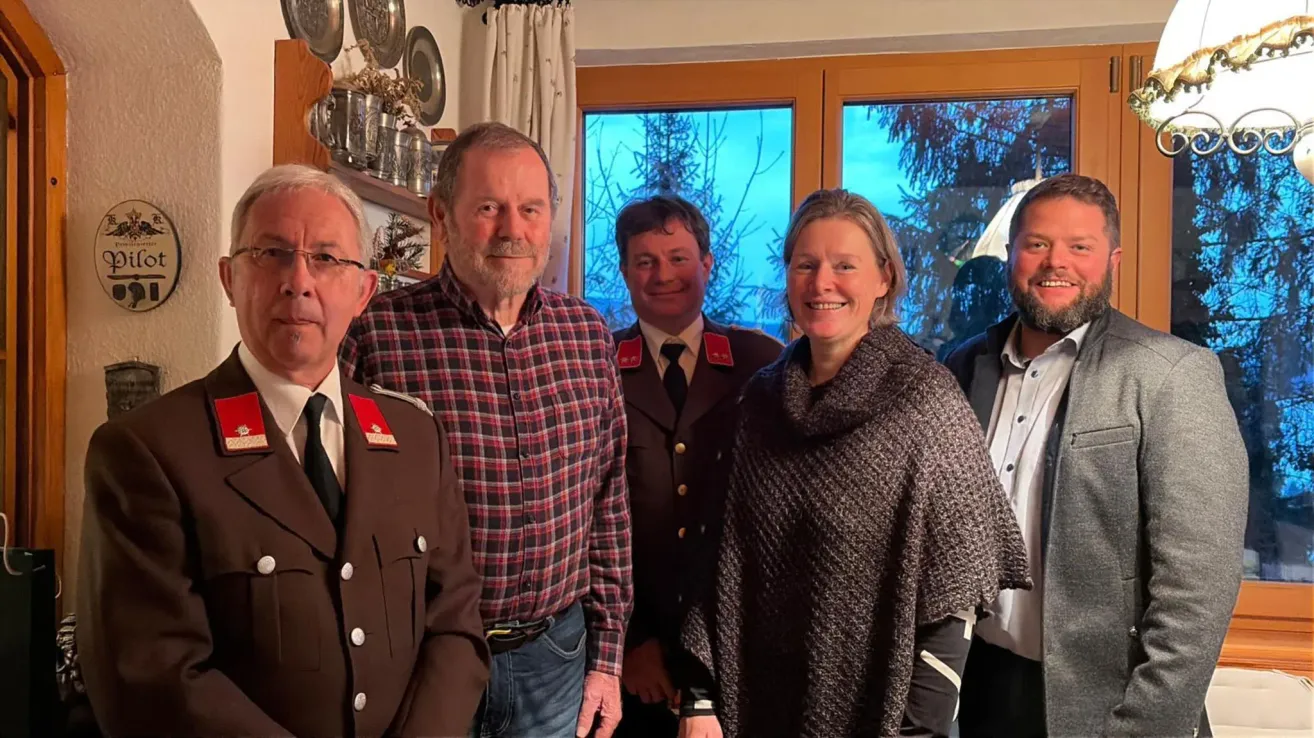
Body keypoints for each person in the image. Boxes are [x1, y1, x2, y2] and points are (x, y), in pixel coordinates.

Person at [77, 164, 490, 737]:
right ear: (229, 279)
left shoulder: (416, 437)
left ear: (364, 290)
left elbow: (456, 624)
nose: (299, 280)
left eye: (326, 258)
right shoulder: (149, 452)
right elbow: (152, 679)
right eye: (271, 254)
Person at [679, 188, 1031, 738]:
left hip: (888, 718)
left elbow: (957, 586)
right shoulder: (759, 403)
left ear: (883, 278)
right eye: (806, 265)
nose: (822, 283)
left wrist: (923, 727)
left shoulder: (925, 400)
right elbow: (720, 563)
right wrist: (700, 702)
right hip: (757, 704)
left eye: (845, 265)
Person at [340, 121, 632, 738]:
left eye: (530, 209)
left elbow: (608, 505)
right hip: (419, 659)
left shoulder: (587, 335)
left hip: (555, 658)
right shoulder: (374, 335)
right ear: (440, 215)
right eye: (489, 208)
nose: (513, 230)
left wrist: (607, 659)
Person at [943, 173, 1249, 738]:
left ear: (1112, 260)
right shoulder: (962, 368)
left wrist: (1141, 728)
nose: (1055, 263)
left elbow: (1196, 598)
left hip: (1109, 713)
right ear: (1011, 254)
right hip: (978, 693)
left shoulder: (1172, 375)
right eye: (1037, 244)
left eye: (1079, 247)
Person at [608, 196, 783, 738]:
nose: (663, 275)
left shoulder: (761, 362)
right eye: (645, 261)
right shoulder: (596, 366)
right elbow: (581, 518)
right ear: (625, 272)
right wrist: (629, 645)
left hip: (741, 654)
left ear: (708, 264)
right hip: (636, 665)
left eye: (679, 258)